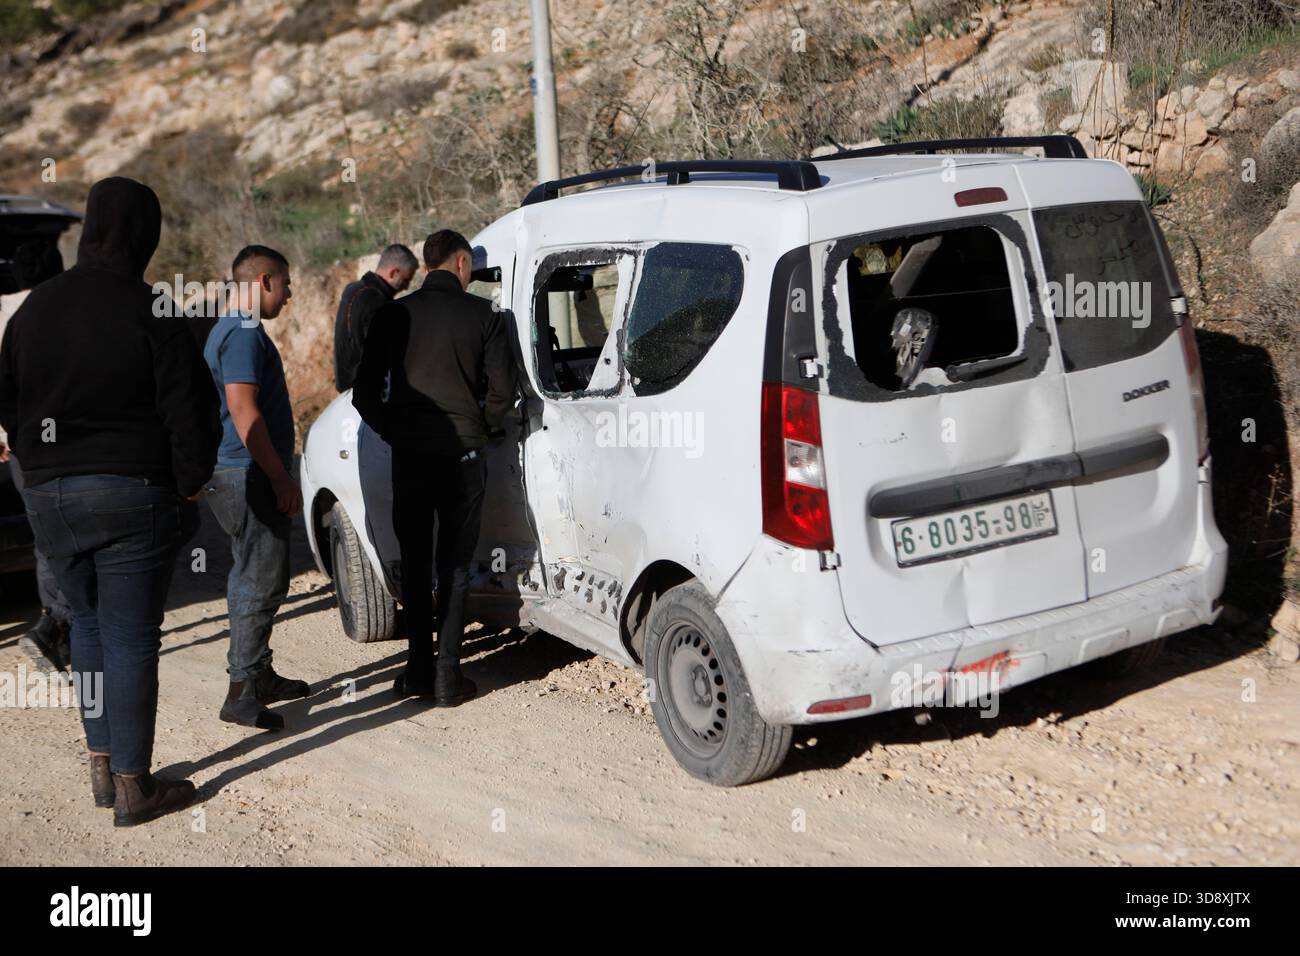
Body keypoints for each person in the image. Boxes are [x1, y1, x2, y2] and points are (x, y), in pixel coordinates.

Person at [0, 176, 220, 827]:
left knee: (87, 628)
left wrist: (38, 471)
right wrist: (188, 481)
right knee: (129, 638)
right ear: (143, 235)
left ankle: (103, 765)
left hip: (48, 498)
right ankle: (133, 786)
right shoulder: (153, 308)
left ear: (90, 227)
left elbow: (8, 402)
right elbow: (191, 413)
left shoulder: (35, 309)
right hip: (132, 494)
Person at [352, 229, 513, 706]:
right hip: (462, 458)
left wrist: (396, 431)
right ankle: (448, 677)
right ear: (462, 263)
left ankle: (418, 669)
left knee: (417, 565)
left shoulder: (393, 315)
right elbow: (504, 392)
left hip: (412, 457)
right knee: (456, 566)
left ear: (427, 265)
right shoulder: (485, 316)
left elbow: (363, 394)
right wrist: (479, 427)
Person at [202, 245, 310, 731]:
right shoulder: (243, 332)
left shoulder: (230, 329)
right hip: (246, 473)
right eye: (285, 284)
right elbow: (245, 412)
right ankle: (242, 691)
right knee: (258, 578)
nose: (289, 295)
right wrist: (279, 476)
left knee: (258, 572)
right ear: (265, 280)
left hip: (238, 472)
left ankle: (259, 675)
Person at [333, 243, 418, 392]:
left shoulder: (354, 289)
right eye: (406, 280)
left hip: (348, 390)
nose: (406, 287)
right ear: (394, 273)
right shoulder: (375, 301)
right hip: (366, 392)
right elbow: (383, 353)